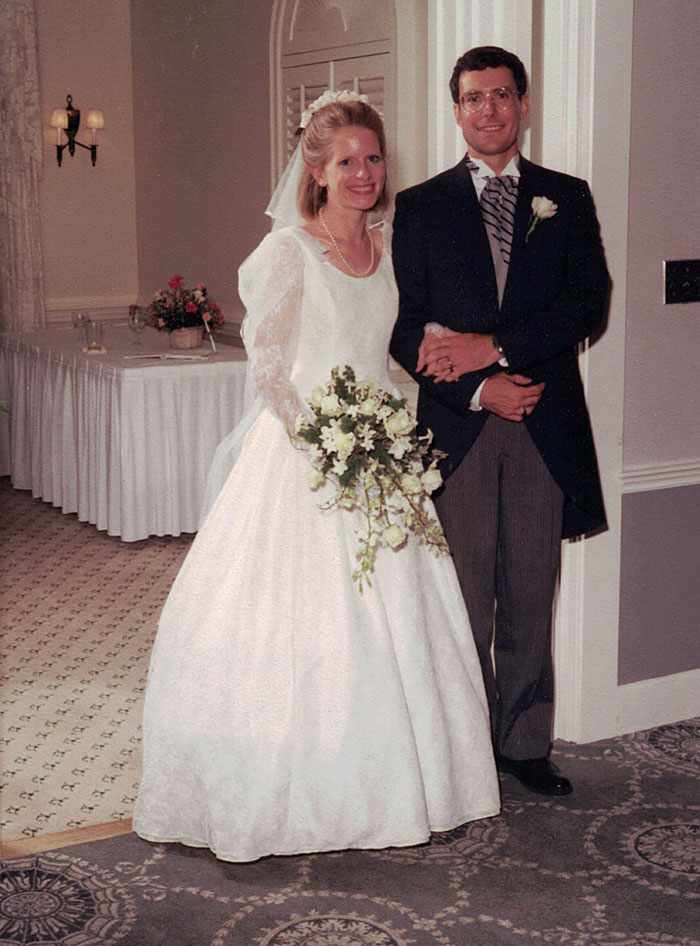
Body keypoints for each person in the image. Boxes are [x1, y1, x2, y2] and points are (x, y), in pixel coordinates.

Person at [133, 91, 500, 863]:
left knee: (401, 627)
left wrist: (400, 426)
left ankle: (412, 787)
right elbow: (269, 371)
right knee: (298, 631)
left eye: (373, 159)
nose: (363, 173)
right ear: (318, 170)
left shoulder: (391, 248)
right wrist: (331, 448)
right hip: (305, 456)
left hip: (381, 453)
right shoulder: (287, 253)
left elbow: (394, 356)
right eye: (347, 161)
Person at [390, 47, 609, 796]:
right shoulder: (420, 206)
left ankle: (523, 744)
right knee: (460, 598)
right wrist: (482, 388)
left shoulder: (566, 197)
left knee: (530, 594)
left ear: (523, 104)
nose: (489, 109)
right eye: (474, 97)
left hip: (544, 423)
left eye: (503, 95)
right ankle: (465, 746)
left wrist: (497, 349)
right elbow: (404, 326)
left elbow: (587, 306)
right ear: (456, 110)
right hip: (461, 430)